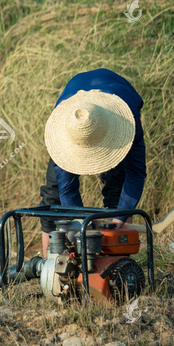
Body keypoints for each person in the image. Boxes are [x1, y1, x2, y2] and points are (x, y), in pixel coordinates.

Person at [40, 68, 146, 257]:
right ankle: (51, 266)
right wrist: (82, 225)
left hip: (116, 105)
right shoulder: (64, 130)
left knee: (118, 182)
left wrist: (118, 219)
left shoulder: (129, 123)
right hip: (73, 110)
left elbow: (135, 174)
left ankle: (117, 263)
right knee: (53, 196)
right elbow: (67, 190)